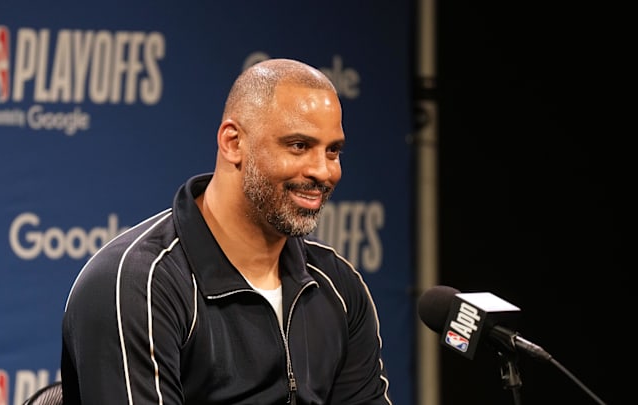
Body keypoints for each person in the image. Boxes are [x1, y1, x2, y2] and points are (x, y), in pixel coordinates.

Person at [60, 58, 393, 404]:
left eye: (333, 151)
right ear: (233, 143)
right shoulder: (137, 284)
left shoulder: (337, 285)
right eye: (299, 146)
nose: (323, 172)